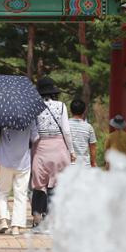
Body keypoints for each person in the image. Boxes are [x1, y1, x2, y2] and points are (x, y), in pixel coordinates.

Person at [31, 77, 76, 227]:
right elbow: (67, 131)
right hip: (59, 149)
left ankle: (37, 215)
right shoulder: (61, 106)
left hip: (41, 148)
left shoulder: (34, 107)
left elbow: (34, 134)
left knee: (39, 184)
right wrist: (71, 150)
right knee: (55, 183)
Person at [0, 124, 38, 236]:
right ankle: (16, 226)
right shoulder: (28, 117)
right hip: (23, 162)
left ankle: (3, 220)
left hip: (5, 161)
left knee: (2, 192)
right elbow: (35, 137)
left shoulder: (0, 115)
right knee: (21, 194)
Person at [68, 99, 98, 168]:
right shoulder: (88, 127)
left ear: (71, 110)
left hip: (69, 166)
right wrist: (93, 162)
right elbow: (93, 147)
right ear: (84, 111)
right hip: (84, 166)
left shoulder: (65, 125)